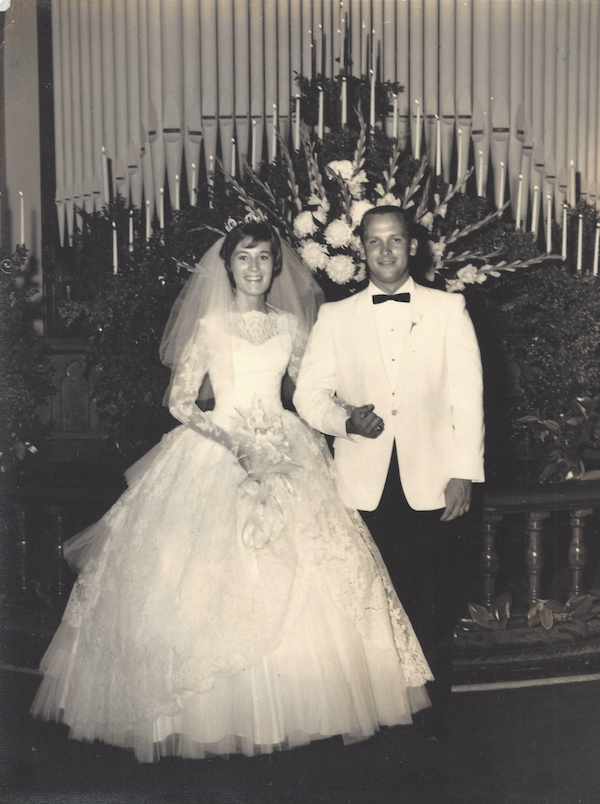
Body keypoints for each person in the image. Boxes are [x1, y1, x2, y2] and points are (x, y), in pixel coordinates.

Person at [31, 220, 432, 763]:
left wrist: (347, 410)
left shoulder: (291, 325)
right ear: (228, 266)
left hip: (287, 444)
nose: (254, 268)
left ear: (275, 266)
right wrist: (234, 444)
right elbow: (180, 402)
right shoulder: (211, 325)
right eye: (244, 258)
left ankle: (305, 706)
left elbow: (310, 388)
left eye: (264, 258)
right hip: (218, 448)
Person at [294, 206, 485, 735]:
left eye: (394, 241)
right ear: (361, 248)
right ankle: (376, 718)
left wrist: (463, 472)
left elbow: (467, 399)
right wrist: (345, 421)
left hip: (431, 481)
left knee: (430, 601)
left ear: (413, 247)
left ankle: (432, 724)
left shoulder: (450, 309)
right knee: (369, 606)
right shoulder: (336, 316)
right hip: (361, 486)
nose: (384, 251)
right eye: (374, 241)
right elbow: (309, 395)